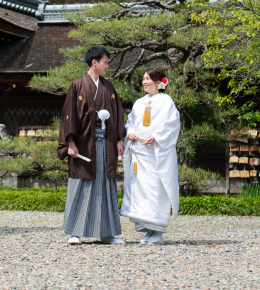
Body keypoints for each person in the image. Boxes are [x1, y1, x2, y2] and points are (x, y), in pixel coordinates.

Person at [58, 46, 126, 244]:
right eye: (105, 62)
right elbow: (69, 116)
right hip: (84, 143)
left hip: (106, 142)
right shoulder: (77, 85)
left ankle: (107, 233)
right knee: (81, 183)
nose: (107, 66)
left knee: (106, 184)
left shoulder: (108, 87)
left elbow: (116, 114)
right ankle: (75, 232)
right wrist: (70, 143)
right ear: (94, 62)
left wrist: (118, 140)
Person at [120, 67, 181, 245]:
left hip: (156, 153)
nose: (144, 82)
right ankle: (148, 229)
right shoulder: (139, 102)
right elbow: (131, 122)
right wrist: (130, 132)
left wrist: (157, 137)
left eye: (148, 79)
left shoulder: (166, 101)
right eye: (143, 79)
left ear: (158, 82)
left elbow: (172, 124)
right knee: (141, 191)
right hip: (140, 153)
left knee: (156, 189)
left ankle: (158, 231)